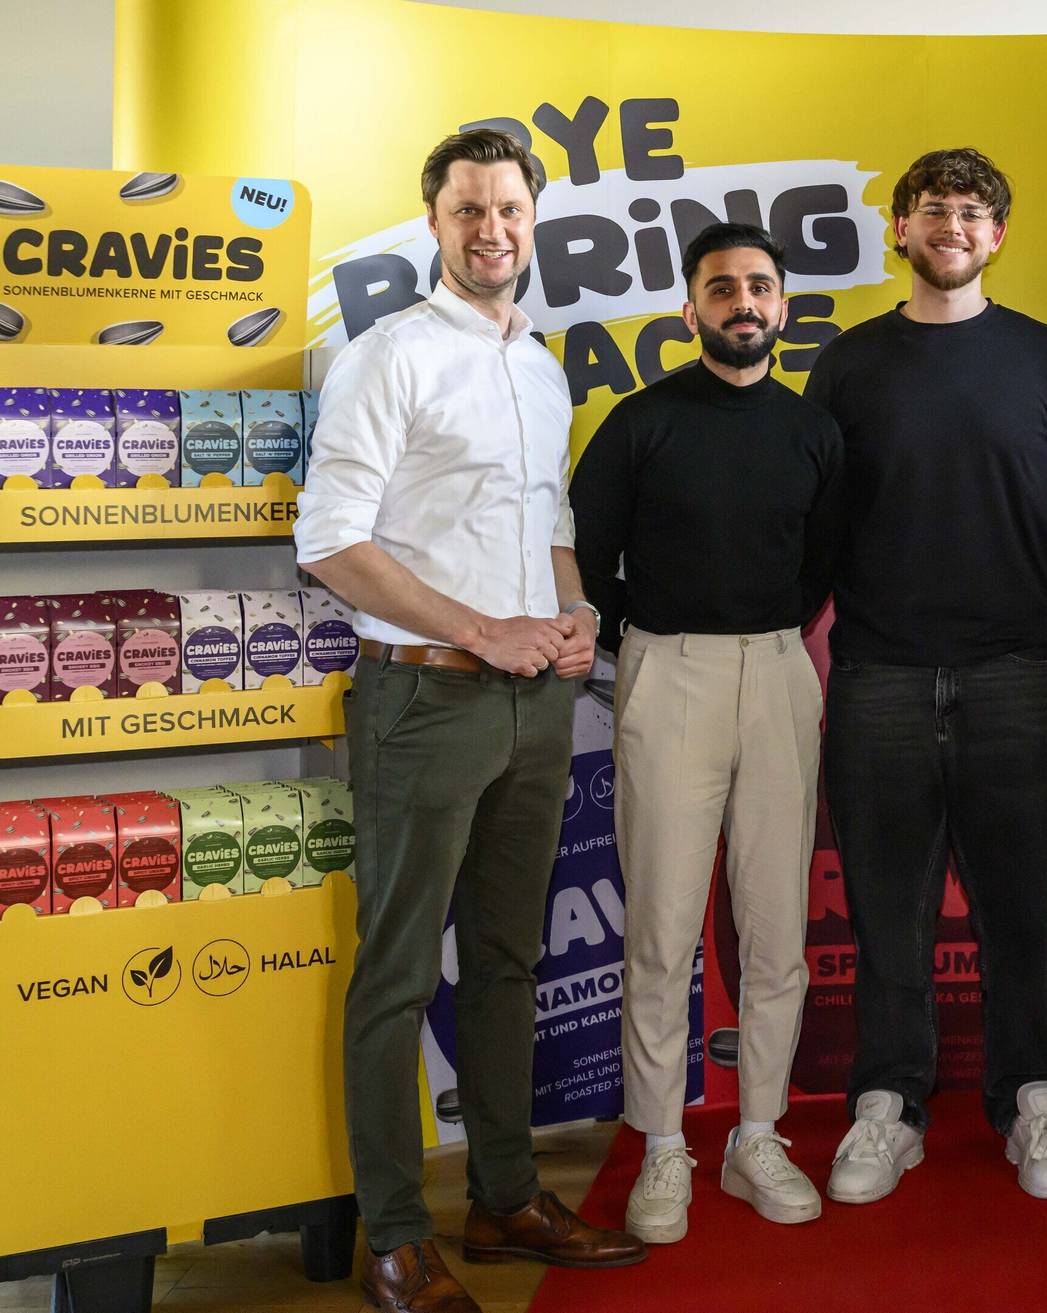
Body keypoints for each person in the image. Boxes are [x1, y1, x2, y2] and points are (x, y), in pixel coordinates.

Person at [297, 127, 645, 1313]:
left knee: (507, 958)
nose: (491, 229)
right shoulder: (387, 357)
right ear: (434, 223)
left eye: (509, 210)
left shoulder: (540, 370)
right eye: (468, 210)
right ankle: (395, 1237)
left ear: (532, 222)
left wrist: (574, 611)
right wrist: (481, 628)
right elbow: (331, 541)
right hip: (424, 697)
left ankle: (504, 1197)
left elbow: (550, 524)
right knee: (396, 973)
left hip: (537, 703)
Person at [803, 147, 1047, 1203]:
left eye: (974, 211)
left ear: (999, 235)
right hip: (878, 675)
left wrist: (1025, 577)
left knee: (1019, 908)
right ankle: (888, 1106)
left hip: (1014, 673)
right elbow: (817, 511)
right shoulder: (847, 366)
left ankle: (1034, 1097)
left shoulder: (1046, 356)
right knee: (886, 911)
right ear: (900, 227)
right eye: (933, 208)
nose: (953, 225)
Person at [568, 222, 844, 1239]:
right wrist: (643, 641)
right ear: (691, 310)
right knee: (662, 928)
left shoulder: (813, 431)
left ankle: (757, 1135)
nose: (743, 303)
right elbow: (584, 556)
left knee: (777, 927)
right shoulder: (641, 423)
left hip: (777, 670)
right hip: (668, 670)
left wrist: (766, 634)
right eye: (722, 288)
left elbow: (822, 562)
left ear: (783, 308)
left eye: (760, 286)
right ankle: (662, 1145)